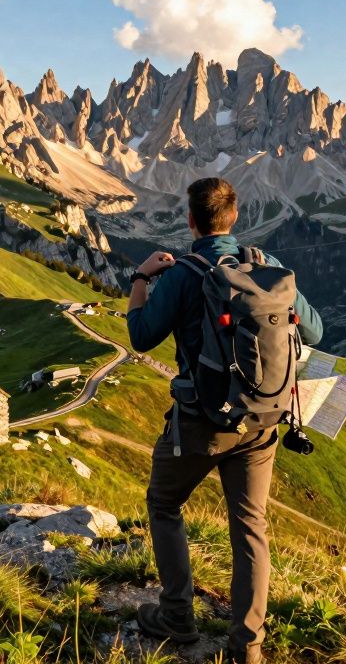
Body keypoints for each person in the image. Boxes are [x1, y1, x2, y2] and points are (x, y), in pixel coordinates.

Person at [126, 177, 324, 664]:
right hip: (262, 420)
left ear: (191, 221)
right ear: (235, 219)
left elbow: (139, 335)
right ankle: (247, 647)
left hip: (201, 424)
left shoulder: (183, 274)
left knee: (164, 504)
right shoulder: (267, 268)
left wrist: (140, 277)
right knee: (250, 527)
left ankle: (177, 617)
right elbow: (316, 329)